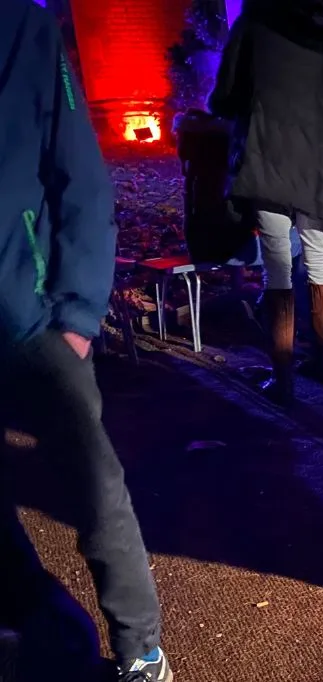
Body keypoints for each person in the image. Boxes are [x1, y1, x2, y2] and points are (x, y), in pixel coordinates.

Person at [0, 1, 171, 679]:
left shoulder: (23, 27)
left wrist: (76, 311)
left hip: (29, 313)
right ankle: (40, 624)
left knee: (96, 494)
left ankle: (141, 652)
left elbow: (78, 173)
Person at [209, 0, 323, 404]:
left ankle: (283, 377)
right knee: (320, 258)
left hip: (267, 156)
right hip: (320, 163)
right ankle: (322, 358)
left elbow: (224, 95)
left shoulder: (252, 26)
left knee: (277, 265)